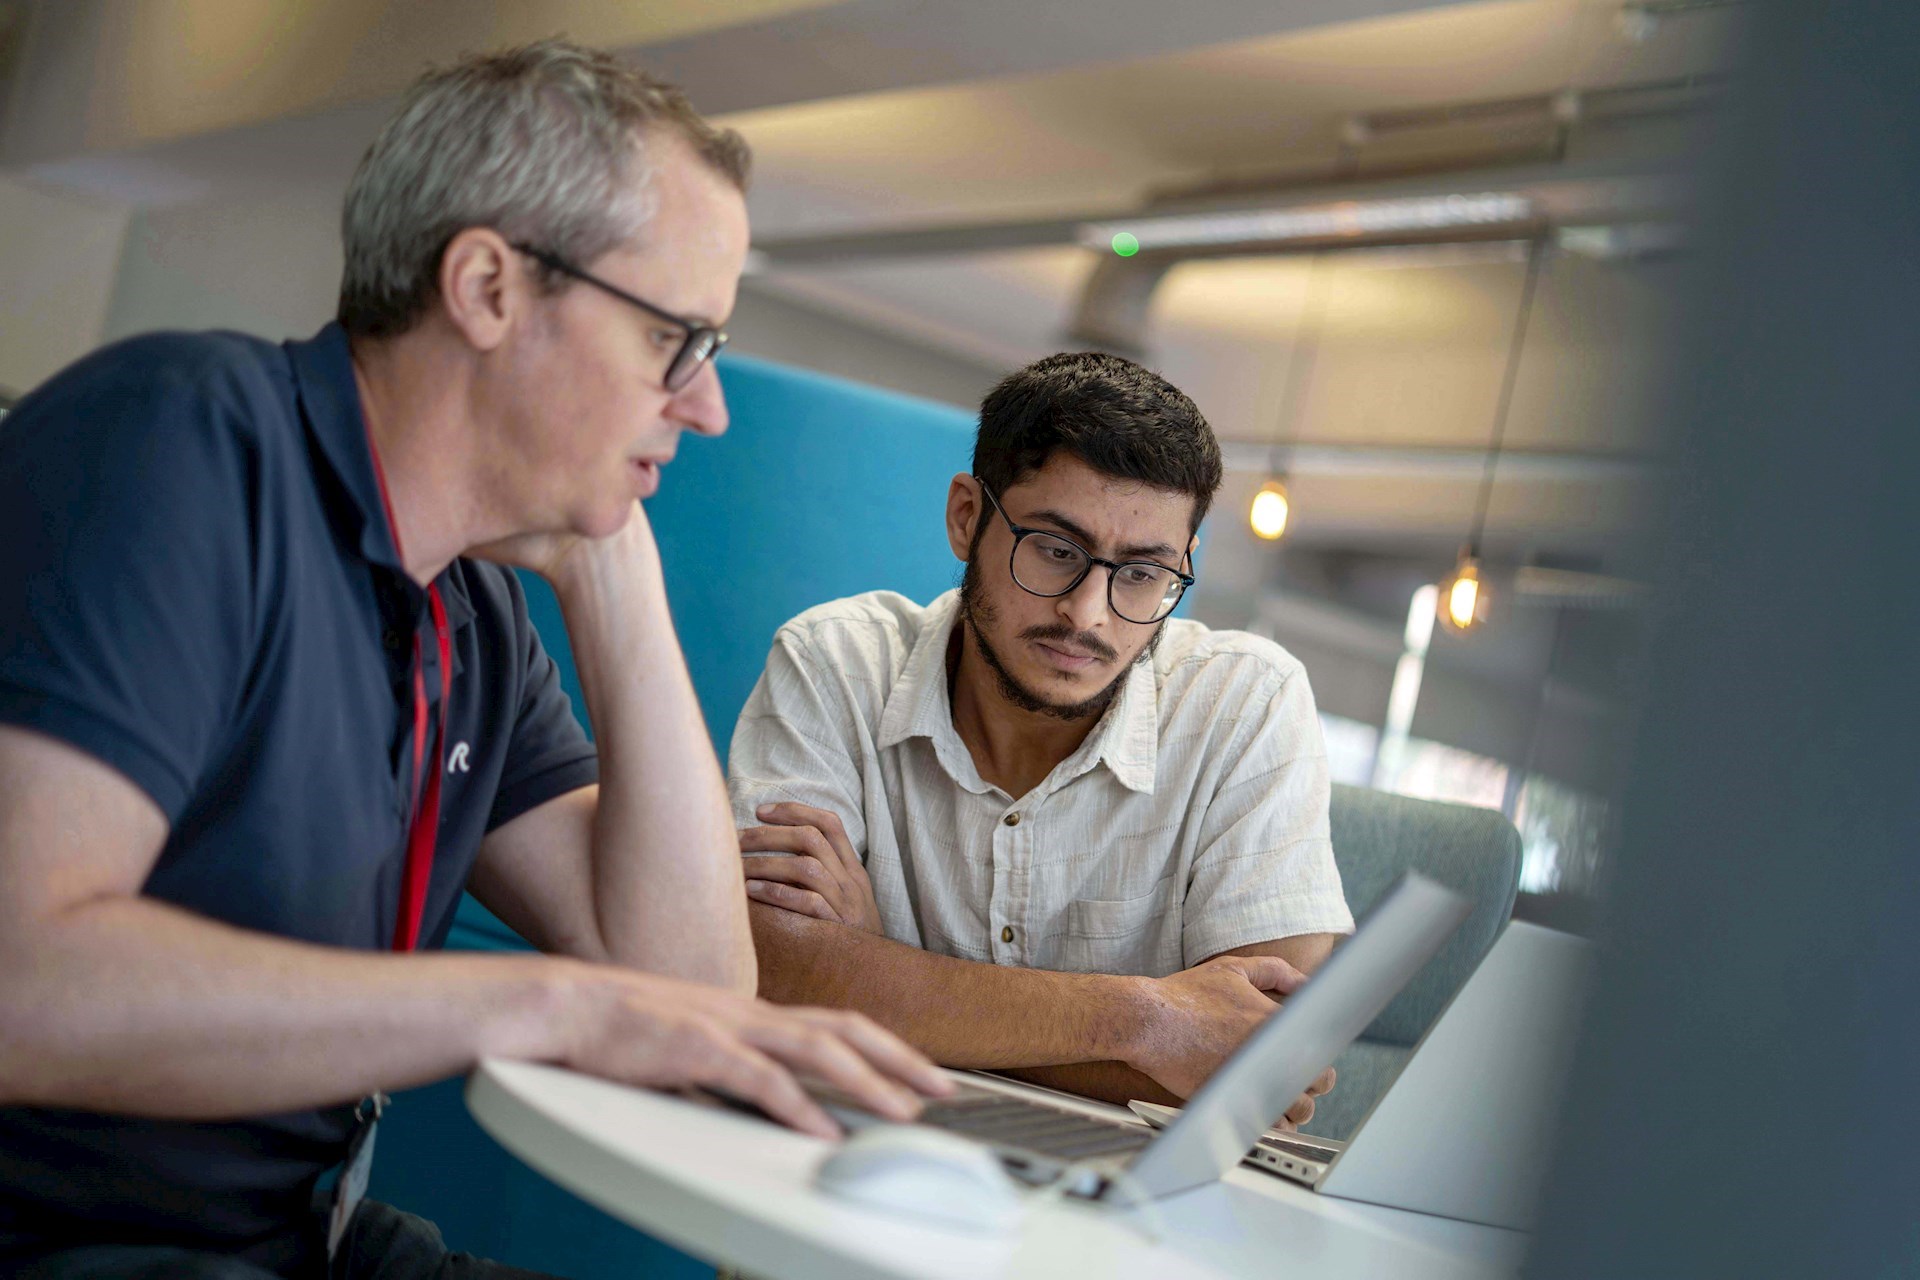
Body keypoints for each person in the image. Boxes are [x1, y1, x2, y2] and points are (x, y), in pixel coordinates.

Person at [0, 40, 945, 1279]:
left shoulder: (473, 608)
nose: (705, 408)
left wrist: (619, 575)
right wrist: (540, 1003)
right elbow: (26, 981)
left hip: (307, 1243)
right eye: (678, 340)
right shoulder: (181, 438)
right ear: (490, 288)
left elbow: (693, 985)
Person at [728, 351, 1353, 1120]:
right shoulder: (836, 660)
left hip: (1124, 1211)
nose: (1088, 614)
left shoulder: (1250, 702)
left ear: (1182, 568)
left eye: (1143, 574)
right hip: (840, 1145)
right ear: (967, 517)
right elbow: (766, 964)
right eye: (1056, 551)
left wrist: (879, 973)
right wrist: (1148, 1022)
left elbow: (1255, 1068)